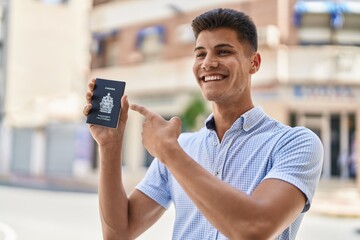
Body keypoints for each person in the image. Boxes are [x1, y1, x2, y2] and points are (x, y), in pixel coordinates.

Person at [84, 8, 323, 240]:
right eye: (200, 54)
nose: (208, 63)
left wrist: (169, 153)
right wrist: (110, 146)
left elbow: (254, 230)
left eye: (223, 52)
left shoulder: (295, 143)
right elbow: (117, 234)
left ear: (254, 62)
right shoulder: (182, 146)